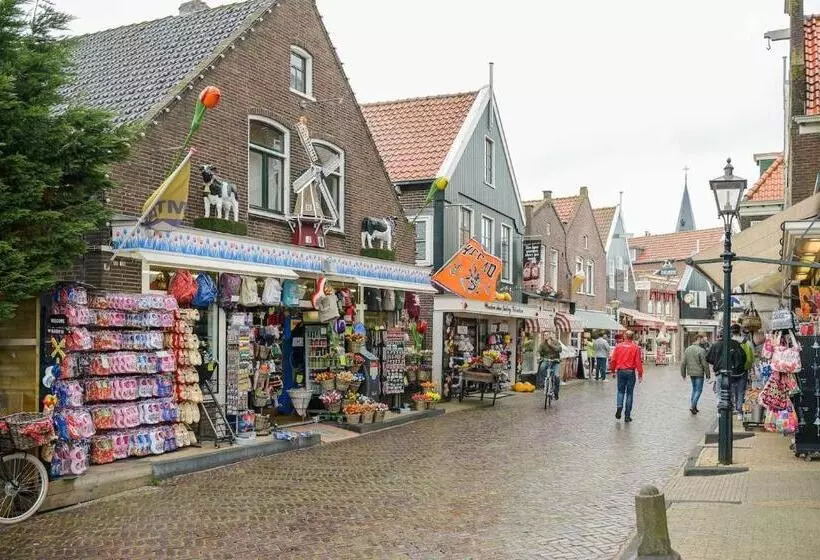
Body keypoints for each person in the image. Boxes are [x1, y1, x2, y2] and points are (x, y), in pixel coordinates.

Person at [706, 324, 749, 414]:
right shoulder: (735, 344)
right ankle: (736, 410)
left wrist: (716, 362)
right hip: (734, 373)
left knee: (719, 393)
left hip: (719, 372)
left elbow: (708, 358)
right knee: (733, 391)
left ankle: (720, 411)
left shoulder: (715, 345)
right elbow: (743, 357)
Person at [609, 330, 644, 422]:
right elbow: (638, 362)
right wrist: (640, 374)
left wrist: (612, 371)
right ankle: (627, 416)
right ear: (633, 337)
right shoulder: (635, 347)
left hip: (620, 371)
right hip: (630, 372)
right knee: (629, 393)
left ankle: (619, 406)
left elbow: (613, 360)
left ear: (625, 336)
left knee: (620, 391)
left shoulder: (618, 346)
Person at [681, 334, 710, 414]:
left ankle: (694, 407)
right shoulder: (701, 350)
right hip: (699, 373)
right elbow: (705, 364)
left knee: (694, 389)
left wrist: (683, 374)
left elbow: (683, 363)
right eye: (702, 340)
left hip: (691, 373)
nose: (703, 341)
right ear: (698, 339)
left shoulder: (687, 349)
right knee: (699, 390)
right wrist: (708, 375)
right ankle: (693, 406)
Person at [538, 334, 562, 399]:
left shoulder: (556, 342)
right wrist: (540, 357)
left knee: (556, 376)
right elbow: (540, 351)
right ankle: (545, 382)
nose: (545, 336)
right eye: (544, 335)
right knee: (542, 367)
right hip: (547, 360)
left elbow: (560, 349)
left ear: (550, 335)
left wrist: (550, 345)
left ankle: (556, 392)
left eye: (547, 335)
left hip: (555, 361)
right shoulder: (543, 344)